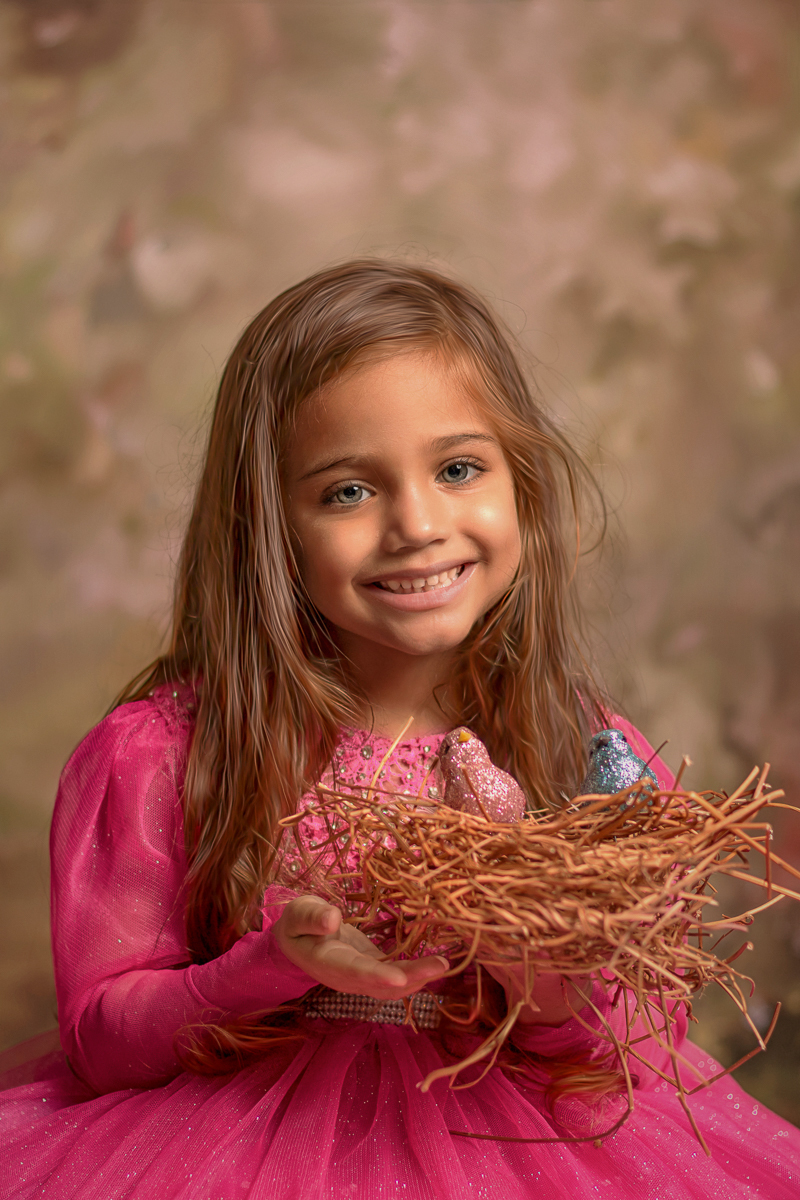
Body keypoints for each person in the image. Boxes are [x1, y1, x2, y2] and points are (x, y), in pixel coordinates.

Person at [0, 260, 797, 1199]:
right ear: (269, 526)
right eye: (348, 491)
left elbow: (638, 1053)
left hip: (512, 1152)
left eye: (458, 469)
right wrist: (266, 969)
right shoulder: (165, 754)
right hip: (233, 1152)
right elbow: (103, 1042)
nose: (417, 524)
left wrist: (539, 974)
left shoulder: (592, 756)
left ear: (522, 484)